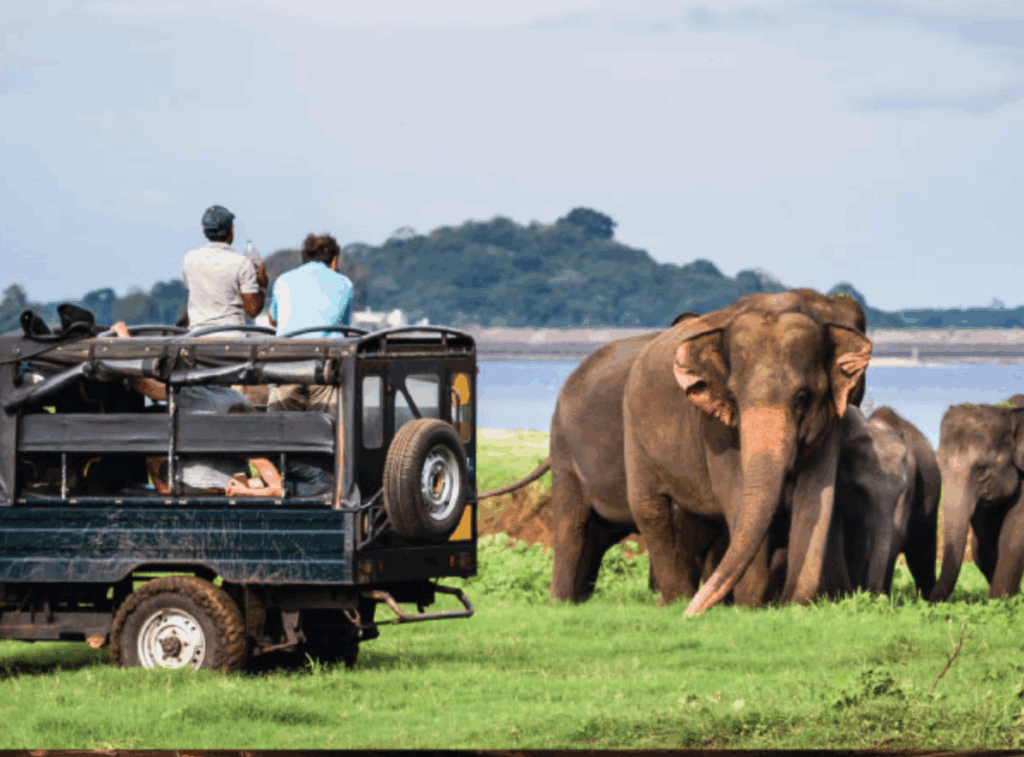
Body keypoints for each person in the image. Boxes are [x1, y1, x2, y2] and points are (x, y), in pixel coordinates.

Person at [109, 322, 282, 497]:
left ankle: (167, 494)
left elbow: (143, 385)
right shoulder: (239, 398)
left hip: (198, 484)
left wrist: (125, 340)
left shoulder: (193, 393)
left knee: (154, 458)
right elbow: (260, 460)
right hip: (236, 480)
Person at [267, 232, 354, 413]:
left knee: (280, 432)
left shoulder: (283, 280)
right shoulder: (345, 283)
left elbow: (273, 320)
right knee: (328, 432)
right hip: (324, 367)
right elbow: (344, 329)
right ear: (335, 260)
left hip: (285, 365)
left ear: (304, 257)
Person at [182, 205, 268, 334]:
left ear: (204, 231)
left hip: (198, 338)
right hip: (232, 340)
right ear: (231, 231)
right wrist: (262, 286)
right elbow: (252, 310)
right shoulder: (242, 263)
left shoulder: (190, 260)